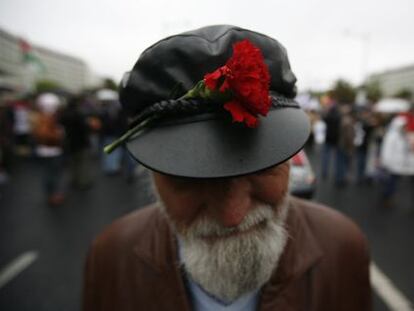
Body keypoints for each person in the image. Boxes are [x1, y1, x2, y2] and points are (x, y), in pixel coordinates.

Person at [82, 25, 371, 310]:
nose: (231, 216)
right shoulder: (109, 256)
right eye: (188, 175)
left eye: (261, 166)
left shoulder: (345, 248)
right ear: (152, 175)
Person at [32, 93, 65, 206]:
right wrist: (59, 134)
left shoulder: (39, 118)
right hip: (53, 151)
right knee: (53, 174)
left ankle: (51, 194)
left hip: (44, 151)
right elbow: (46, 135)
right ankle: (54, 195)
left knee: (48, 174)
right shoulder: (48, 119)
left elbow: (37, 134)